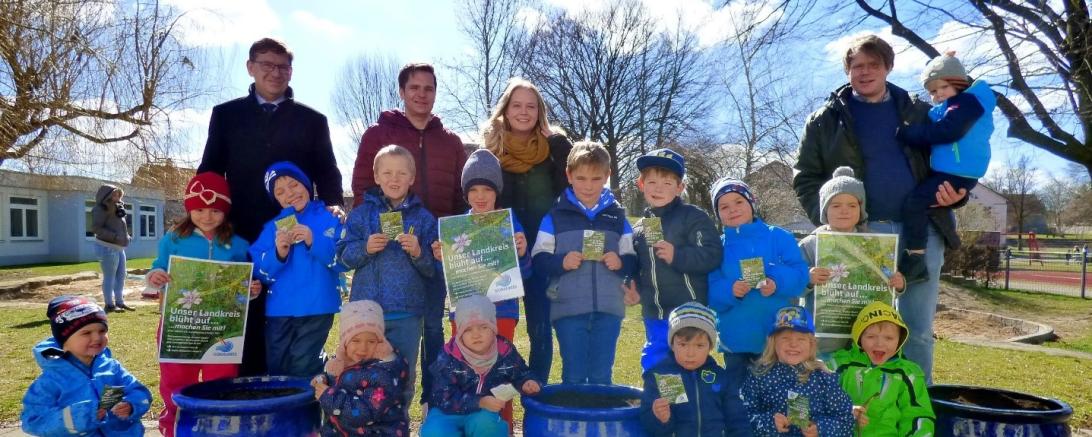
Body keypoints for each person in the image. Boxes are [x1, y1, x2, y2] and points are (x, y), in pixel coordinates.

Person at [793, 34, 968, 382]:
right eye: (857, 66)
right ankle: (850, 403)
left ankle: (916, 403)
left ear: (888, 67)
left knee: (917, 328)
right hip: (860, 236)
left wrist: (958, 194)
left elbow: (955, 158)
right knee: (853, 328)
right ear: (847, 71)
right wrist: (832, 221)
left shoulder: (921, 112)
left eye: (873, 64)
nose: (865, 72)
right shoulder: (824, 120)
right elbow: (805, 177)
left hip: (924, 231)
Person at [199, 37, 344, 376]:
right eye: (267, 64)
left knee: (287, 317)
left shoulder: (312, 120)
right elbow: (209, 171)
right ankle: (248, 386)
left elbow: (327, 171)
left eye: (283, 66)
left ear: (291, 72)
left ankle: (292, 387)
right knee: (244, 310)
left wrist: (334, 206)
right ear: (251, 67)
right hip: (242, 229)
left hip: (296, 234)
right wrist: (202, 217)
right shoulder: (226, 115)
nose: (275, 72)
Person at [351, 62, 467, 406]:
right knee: (392, 331)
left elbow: (460, 195)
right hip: (389, 252)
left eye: (428, 88)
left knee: (433, 327)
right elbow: (361, 186)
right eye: (414, 87)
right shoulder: (378, 134)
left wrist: (452, 239)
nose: (421, 94)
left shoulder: (450, 141)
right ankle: (375, 406)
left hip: (435, 246)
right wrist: (375, 230)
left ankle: (434, 401)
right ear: (402, 92)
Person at [145, 172, 262, 436]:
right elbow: (157, 268)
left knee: (221, 381)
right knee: (176, 381)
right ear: (189, 209)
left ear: (225, 211)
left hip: (222, 328)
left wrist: (251, 290)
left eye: (215, 211)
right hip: (179, 326)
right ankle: (175, 428)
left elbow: (242, 282)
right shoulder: (173, 239)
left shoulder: (238, 244)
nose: (207, 217)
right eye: (199, 209)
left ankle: (219, 428)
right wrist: (155, 277)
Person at [430, 149, 533, 428]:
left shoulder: (508, 223)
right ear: (466, 194)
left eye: (487, 189)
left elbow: (525, 274)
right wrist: (441, 260)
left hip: (503, 313)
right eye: (473, 190)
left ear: (496, 191)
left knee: (502, 374)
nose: (480, 196)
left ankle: (503, 428)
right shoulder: (456, 229)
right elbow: (447, 279)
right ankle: (467, 428)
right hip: (464, 316)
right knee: (463, 374)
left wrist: (522, 253)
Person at [482, 78, 574, 380]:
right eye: (517, 105)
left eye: (531, 106)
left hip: (542, 252)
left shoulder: (552, 150)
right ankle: (492, 393)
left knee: (540, 329)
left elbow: (573, 182)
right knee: (494, 329)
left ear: (540, 112)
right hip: (498, 255)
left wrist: (559, 143)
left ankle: (537, 392)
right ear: (505, 110)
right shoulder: (490, 151)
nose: (523, 112)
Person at [337, 145, 438, 408]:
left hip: (407, 313)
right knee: (359, 375)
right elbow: (343, 257)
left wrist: (418, 252)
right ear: (377, 177)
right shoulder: (361, 215)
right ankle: (360, 423)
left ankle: (398, 422)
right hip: (365, 315)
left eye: (401, 173)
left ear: (412, 178)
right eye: (388, 173)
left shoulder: (424, 219)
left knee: (403, 376)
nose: (395, 179)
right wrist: (365, 248)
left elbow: (433, 269)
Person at [531, 141, 637, 385]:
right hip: (568, 309)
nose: (588, 186)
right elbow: (538, 259)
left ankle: (600, 412)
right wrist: (561, 262)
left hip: (609, 309)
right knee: (574, 375)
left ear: (607, 176)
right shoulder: (553, 217)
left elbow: (632, 258)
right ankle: (574, 411)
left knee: (602, 376)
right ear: (569, 175)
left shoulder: (618, 217)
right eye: (581, 178)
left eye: (596, 178)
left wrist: (620, 262)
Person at [896, 51, 994, 282]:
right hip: (955, 170)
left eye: (943, 87)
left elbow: (948, 131)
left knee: (915, 203)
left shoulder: (967, 103)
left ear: (958, 83)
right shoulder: (957, 104)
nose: (938, 94)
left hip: (957, 172)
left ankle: (915, 258)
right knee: (922, 201)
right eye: (932, 91)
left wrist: (907, 134)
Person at [624, 148, 722, 372]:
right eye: (652, 182)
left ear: (680, 188)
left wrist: (677, 256)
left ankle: (699, 395)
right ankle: (656, 395)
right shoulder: (639, 228)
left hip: (690, 313)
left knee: (690, 364)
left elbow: (712, 254)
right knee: (656, 363)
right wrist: (632, 288)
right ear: (641, 185)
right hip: (655, 312)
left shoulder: (693, 217)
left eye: (667, 183)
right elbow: (636, 267)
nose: (658, 188)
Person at [707, 178, 809, 388]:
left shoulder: (779, 237)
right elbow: (708, 289)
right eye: (724, 206)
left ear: (751, 203)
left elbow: (800, 274)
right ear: (718, 214)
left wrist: (777, 282)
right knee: (737, 395)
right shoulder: (716, 247)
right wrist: (730, 291)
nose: (732, 209)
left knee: (776, 395)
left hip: (776, 339)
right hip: (735, 341)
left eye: (739, 202)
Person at [797, 167, 905, 356]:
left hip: (865, 338)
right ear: (825, 210)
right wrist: (807, 278)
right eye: (836, 205)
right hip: (824, 339)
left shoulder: (876, 244)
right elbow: (792, 286)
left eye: (852, 205)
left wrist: (899, 284)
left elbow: (887, 286)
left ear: (861, 210)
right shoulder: (810, 244)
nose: (844, 211)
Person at [251, 161, 344, 377]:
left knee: (304, 365)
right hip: (279, 310)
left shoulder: (329, 217)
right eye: (280, 191)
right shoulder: (272, 227)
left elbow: (344, 260)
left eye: (294, 184)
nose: (290, 193)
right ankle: (317, 382)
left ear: (306, 184)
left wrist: (313, 240)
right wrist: (278, 253)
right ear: (275, 199)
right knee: (277, 365)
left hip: (318, 306)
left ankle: (315, 393)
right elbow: (258, 270)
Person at [21, 296, 152, 436]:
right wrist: (77, 417)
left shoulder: (113, 368)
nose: (97, 338)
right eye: (86, 333)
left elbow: (139, 392)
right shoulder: (51, 380)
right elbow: (33, 421)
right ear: (64, 341)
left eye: (102, 331)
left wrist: (132, 405)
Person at [420, 295, 541, 437]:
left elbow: (520, 372)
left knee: (488, 424)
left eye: (483, 327)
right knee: (434, 431)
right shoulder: (448, 355)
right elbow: (441, 395)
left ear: (493, 328)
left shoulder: (503, 351)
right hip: (446, 413)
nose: (476, 334)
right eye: (468, 329)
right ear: (460, 332)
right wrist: (479, 401)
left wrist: (527, 382)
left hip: (482, 413)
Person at [639, 302, 752, 437]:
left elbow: (737, 419)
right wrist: (660, 419)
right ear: (672, 344)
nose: (690, 353)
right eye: (683, 344)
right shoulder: (658, 376)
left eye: (699, 345)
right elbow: (648, 424)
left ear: (710, 347)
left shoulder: (721, 377)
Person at [740, 306, 854, 437]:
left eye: (801, 339)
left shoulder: (823, 378)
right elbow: (741, 416)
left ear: (811, 344)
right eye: (785, 338)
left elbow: (846, 419)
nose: (793, 344)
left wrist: (821, 428)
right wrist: (769, 422)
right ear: (773, 342)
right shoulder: (759, 376)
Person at [827, 301, 935, 436]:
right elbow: (817, 398)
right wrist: (846, 411)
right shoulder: (839, 365)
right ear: (859, 337)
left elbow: (918, 415)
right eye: (871, 337)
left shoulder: (908, 374)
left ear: (899, 340)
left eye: (889, 338)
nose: (879, 344)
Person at [312, 300, 409, 437]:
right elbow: (339, 380)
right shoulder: (344, 361)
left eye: (371, 341)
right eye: (356, 340)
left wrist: (330, 396)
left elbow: (365, 413)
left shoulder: (384, 375)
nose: (363, 348)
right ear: (344, 343)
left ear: (380, 342)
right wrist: (324, 379)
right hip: (344, 431)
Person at [91, 184, 132, 312]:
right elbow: (96, 228)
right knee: (110, 277)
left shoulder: (119, 207)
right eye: (114, 194)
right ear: (106, 196)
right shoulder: (100, 209)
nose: (117, 196)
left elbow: (120, 226)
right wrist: (115, 236)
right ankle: (109, 304)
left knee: (121, 276)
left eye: (118, 194)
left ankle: (120, 302)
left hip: (119, 247)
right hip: (106, 247)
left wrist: (126, 237)